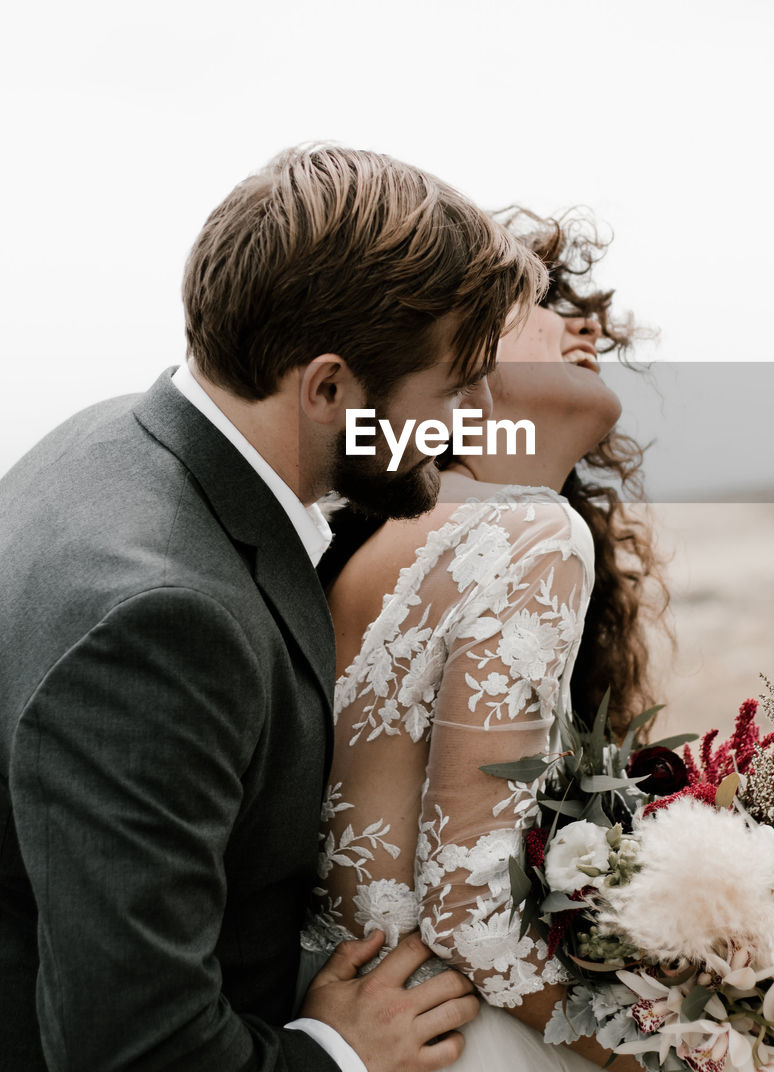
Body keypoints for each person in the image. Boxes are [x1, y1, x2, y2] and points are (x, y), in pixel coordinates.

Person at [0, 146, 548, 1071]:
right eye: (451, 387)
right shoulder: (165, 623)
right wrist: (336, 1052)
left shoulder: (108, 437)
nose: (475, 416)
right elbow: (133, 1050)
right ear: (329, 387)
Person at [305, 212, 666, 1070]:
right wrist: (676, 1046)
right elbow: (471, 911)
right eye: (536, 302)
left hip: (345, 1014)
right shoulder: (526, 532)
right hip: (456, 1037)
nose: (580, 329)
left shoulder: (374, 553)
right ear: (453, 364)